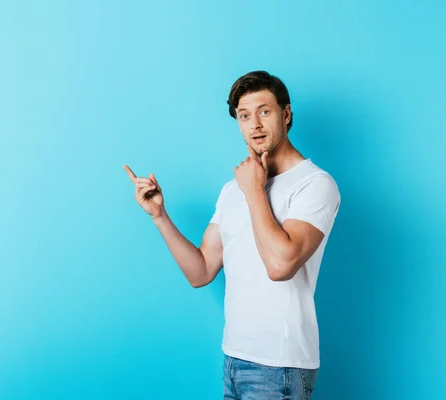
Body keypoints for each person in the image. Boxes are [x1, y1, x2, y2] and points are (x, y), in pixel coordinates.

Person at [123, 70, 341, 400]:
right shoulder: (232, 190)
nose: (254, 124)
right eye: (244, 115)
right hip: (235, 358)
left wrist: (255, 190)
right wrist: (160, 216)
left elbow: (281, 266)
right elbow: (201, 271)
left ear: (286, 114)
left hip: (280, 364)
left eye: (264, 111)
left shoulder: (315, 184)